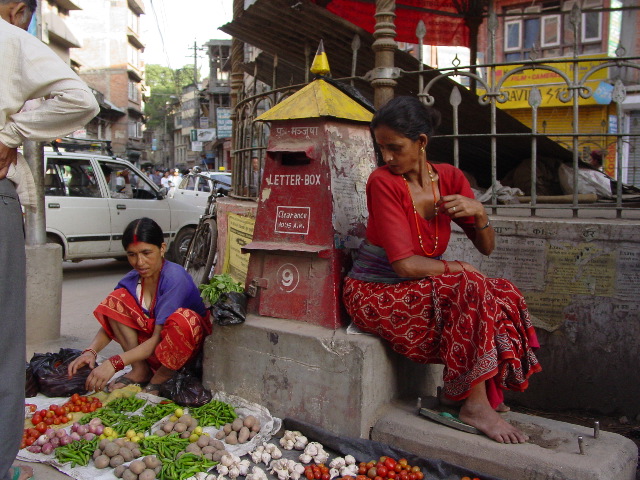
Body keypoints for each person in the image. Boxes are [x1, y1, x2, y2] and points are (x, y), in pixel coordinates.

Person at [342, 96, 541, 444]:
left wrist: (478, 213)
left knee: (502, 291)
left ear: (421, 142)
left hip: (418, 288)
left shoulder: (449, 177)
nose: (387, 158)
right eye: (382, 149)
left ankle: (462, 392)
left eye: (395, 148)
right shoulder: (383, 182)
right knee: (469, 285)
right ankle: (476, 404)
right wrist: (456, 267)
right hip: (374, 292)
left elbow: (487, 247)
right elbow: (404, 265)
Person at [0, 2, 99, 479]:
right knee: (4, 351)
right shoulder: (11, 39)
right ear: (19, 10)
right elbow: (82, 101)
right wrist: (12, 133)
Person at [67, 217, 212, 395]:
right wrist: (90, 351)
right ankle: (140, 370)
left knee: (183, 320)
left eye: (146, 253)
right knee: (116, 300)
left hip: (182, 352)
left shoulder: (175, 278)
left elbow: (158, 339)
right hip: (149, 352)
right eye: (132, 255)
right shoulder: (131, 280)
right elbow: (112, 321)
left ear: (162, 249)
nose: (139, 262)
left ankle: (160, 378)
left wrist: (115, 362)